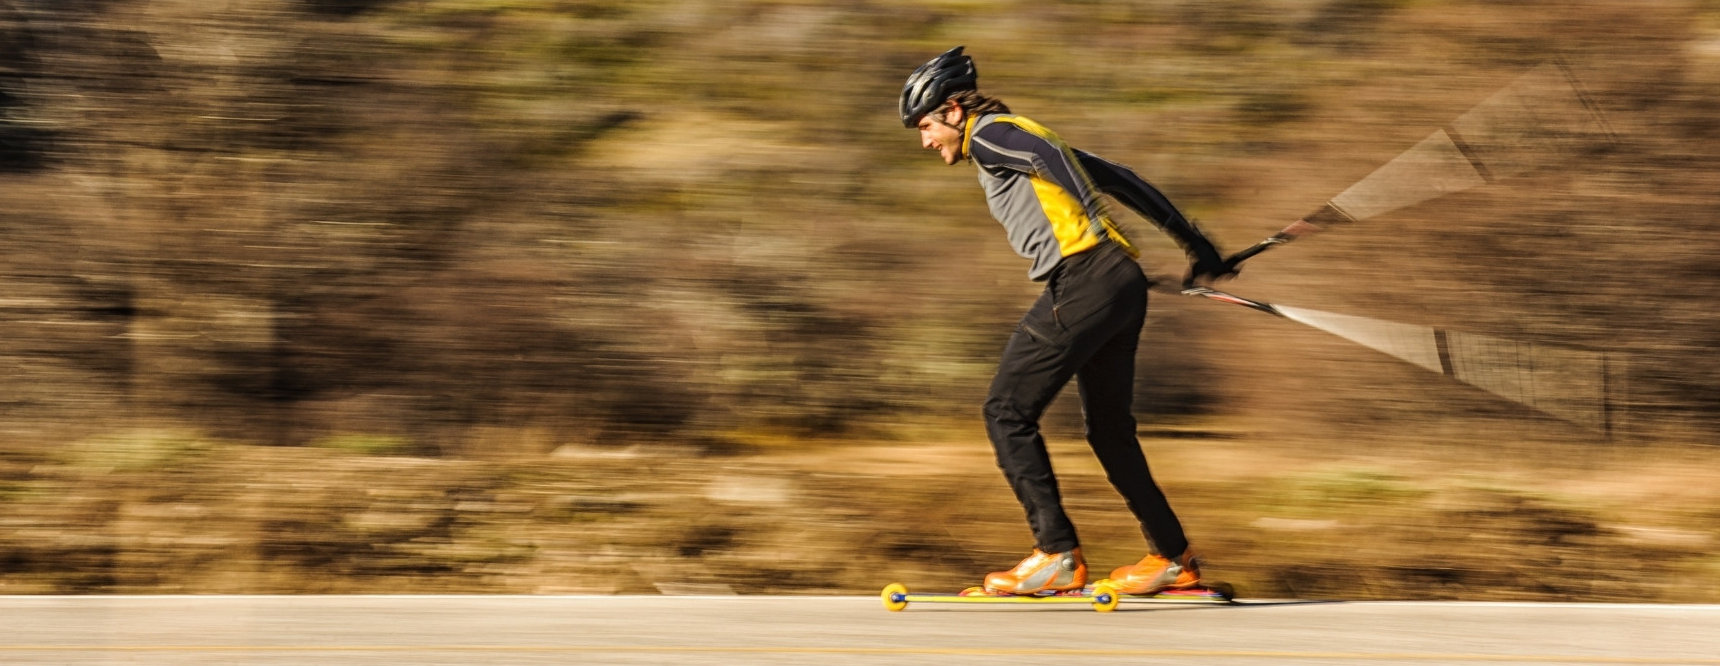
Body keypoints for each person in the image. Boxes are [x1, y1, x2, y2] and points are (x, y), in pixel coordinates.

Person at [900, 46, 1235, 596]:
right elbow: (1121, 178)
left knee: (1005, 410)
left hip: (1085, 278)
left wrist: (1095, 235)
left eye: (926, 124)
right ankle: (1173, 558)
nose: (924, 139)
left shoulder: (991, 133)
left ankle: (1055, 553)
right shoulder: (1021, 134)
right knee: (1108, 431)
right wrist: (1195, 242)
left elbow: (1057, 168)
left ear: (955, 110)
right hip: (1116, 282)